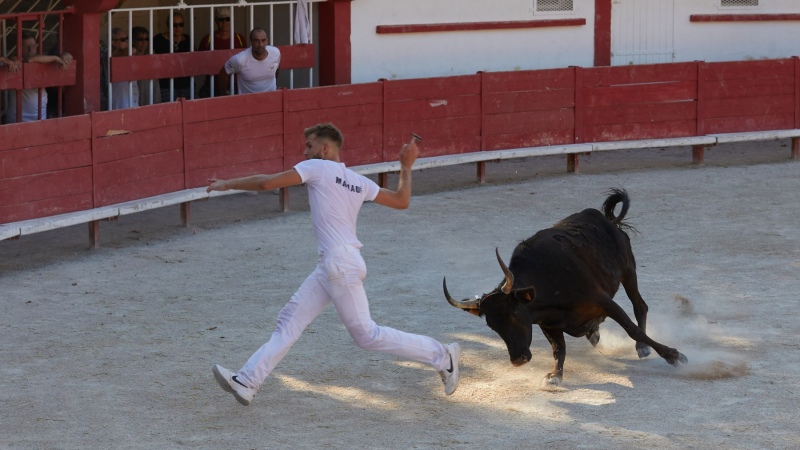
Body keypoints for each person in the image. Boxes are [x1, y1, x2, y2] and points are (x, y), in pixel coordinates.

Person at [207, 123, 462, 406]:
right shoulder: (357, 180)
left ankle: (442, 355)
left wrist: (228, 183)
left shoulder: (318, 167)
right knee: (288, 323)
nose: (304, 152)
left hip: (339, 263)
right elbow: (401, 201)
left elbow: (268, 183)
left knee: (367, 336)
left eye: (309, 146)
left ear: (324, 149)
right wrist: (406, 166)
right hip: (333, 264)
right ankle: (247, 381)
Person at [4, 32, 71, 123]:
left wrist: (65, 55)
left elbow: (67, 57)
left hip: (39, 120)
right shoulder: (13, 64)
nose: (30, 49)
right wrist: (5, 59)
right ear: (19, 48)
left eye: (33, 46)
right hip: (16, 121)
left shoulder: (46, 62)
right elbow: (29, 60)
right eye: (25, 46)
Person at [198, 7, 247, 98]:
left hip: (236, 85)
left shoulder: (240, 39)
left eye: (227, 19)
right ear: (216, 21)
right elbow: (200, 62)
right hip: (212, 86)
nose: (224, 22)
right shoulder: (207, 40)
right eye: (221, 19)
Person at [218, 27, 280, 96]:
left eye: (263, 40)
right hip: (248, 102)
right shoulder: (240, 59)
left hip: (272, 99)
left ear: (267, 41)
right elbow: (224, 72)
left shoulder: (275, 52)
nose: (260, 44)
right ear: (251, 41)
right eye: (256, 41)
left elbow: (277, 68)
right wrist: (223, 93)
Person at [153, 12, 191, 101]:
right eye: (174, 25)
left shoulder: (188, 39)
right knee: (169, 111)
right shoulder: (159, 39)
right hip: (166, 83)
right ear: (168, 25)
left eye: (181, 25)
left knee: (185, 111)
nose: (177, 28)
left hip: (185, 83)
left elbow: (194, 59)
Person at [109, 28, 139, 110]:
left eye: (127, 38)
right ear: (113, 42)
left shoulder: (128, 54)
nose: (126, 41)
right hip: (119, 97)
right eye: (123, 39)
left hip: (131, 94)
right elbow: (130, 50)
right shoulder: (110, 54)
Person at [131, 26, 161, 106]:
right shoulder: (130, 57)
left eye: (146, 39)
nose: (144, 42)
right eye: (140, 39)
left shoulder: (152, 56)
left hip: (151, 91)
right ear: (133, 41)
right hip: (136, 92)